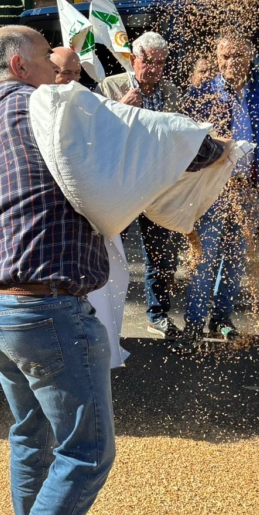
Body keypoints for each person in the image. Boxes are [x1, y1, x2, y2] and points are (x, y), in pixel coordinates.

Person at [0, 26, 226, 515]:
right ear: (19, 66)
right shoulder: (48, 109)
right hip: (47, 308)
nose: (66, 77)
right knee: (87, 453)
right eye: (50, 63)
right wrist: (213, 147)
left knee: (31, 436)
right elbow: (147, 141)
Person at [182, 35, 259, 344]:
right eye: (225, 56)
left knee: (235, 259)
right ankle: (193, 324)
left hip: (251, 190)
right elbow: (187, 141)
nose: (231, 62)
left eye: (238, 56)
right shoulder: (203, 93)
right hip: (214, 190)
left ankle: (221, 319)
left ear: (250, 56)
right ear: (217, 59)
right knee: (205, 258)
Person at [96, 32, 188, 338]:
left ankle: (157, 315)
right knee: (108, 252)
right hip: (120, 186)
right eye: (148, 61)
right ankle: (102, 315)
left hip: (157, 185)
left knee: (161, 256)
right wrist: (122, 106)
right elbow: (96, 134)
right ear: (134, 59)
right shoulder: (110, 87)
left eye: (161, 63)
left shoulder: (172, 92)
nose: (154, 69)